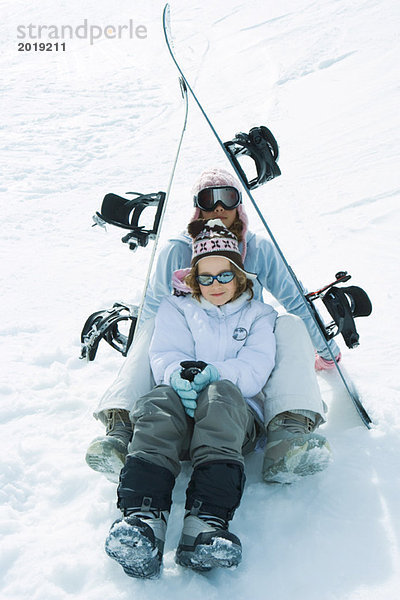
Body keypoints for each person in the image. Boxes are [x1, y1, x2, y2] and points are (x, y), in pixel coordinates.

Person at [86, 168, 339, 484]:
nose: (219, 208)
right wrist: (149, 370)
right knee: (151, 325)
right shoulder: (178, 250)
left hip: (239, 371)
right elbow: (152, 310)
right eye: (209, 199)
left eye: (227, 197)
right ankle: (122, 431)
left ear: (239, 204)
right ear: (197, 207)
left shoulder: (258, 250)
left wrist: (328, 351)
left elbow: (294, 299)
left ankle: (286, 438)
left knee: (288, 324)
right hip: (183, 369)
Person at [105, 218, 277, 578]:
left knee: (221, 393)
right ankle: (143, 522)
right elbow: (165, 354)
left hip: (232, 421)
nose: (215, 285)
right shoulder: (177, 307)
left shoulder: (260, 315)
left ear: (240, 275)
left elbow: (255, 369)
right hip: (181, 417)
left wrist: (212, 373)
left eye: (224, 275)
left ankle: (206, 524)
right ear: (194, 279)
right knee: (157, 402)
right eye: (206, 277)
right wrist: (177, 375)